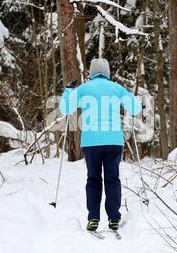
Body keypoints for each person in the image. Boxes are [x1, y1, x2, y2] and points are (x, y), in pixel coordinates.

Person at [59, 59, 142, 232]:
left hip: (91, 143)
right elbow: (135, 108)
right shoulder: (116, 87)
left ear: (91, 72)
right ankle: (113, 218)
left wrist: (68, 90)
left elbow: (66, 108)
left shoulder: (84, 89)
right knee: (112, 179)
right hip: (113, 142)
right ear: (107, 72)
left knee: (93, 179)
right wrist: (130, 98)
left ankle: (93, 219)